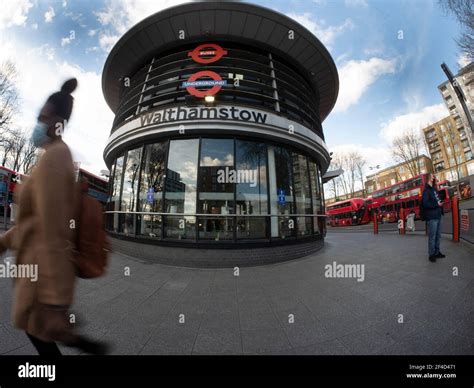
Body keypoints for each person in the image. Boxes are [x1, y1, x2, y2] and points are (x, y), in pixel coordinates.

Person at [0, 79, 107, 355]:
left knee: (42, 339)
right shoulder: (49, 157)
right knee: (41, 338)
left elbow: (56, 230)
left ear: (57, 122)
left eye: (43, 117)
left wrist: (55, 301)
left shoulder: (56, 158)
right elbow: (33, 221)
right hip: (34, 273)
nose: (38, 122)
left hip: (40, 279)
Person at [421, 173, 446, 262]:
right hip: (432, 217)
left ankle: (437, 252)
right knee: (432, 237)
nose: (434, 177)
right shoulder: (426, 191)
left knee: (438, 236)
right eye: (433, 176)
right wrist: (437, 204)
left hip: (438, 215)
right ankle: (431, 255)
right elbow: (425, 203)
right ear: (429, 178)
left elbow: (437, 200)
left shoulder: (434, 189)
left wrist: (440, 202)